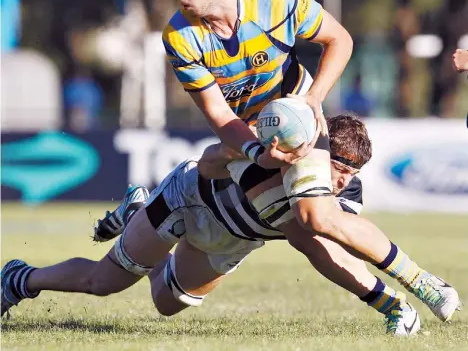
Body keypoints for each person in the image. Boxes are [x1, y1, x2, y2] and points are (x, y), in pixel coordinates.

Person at [160, 0, 456, 306]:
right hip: (245, 137)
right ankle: (391, 306)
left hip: (295, 116)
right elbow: (218, 113)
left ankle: (423, 284)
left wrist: (312, 100)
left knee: (315, 217)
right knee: (294, 236)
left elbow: (340, 39)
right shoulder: (179, 36)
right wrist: (255, 153)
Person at [1, 115, 460, 337]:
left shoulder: (345, 196)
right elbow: (205, 164)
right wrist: (250, 153)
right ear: (317, 153)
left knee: (166, 302)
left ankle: (136, 214)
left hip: (234, 240)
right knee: (103, 282)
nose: (343, 181)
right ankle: (21, 279)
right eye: (339, 168)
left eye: (352, 174)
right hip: (189, 205)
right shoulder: (274, 155)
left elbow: (337, 246)